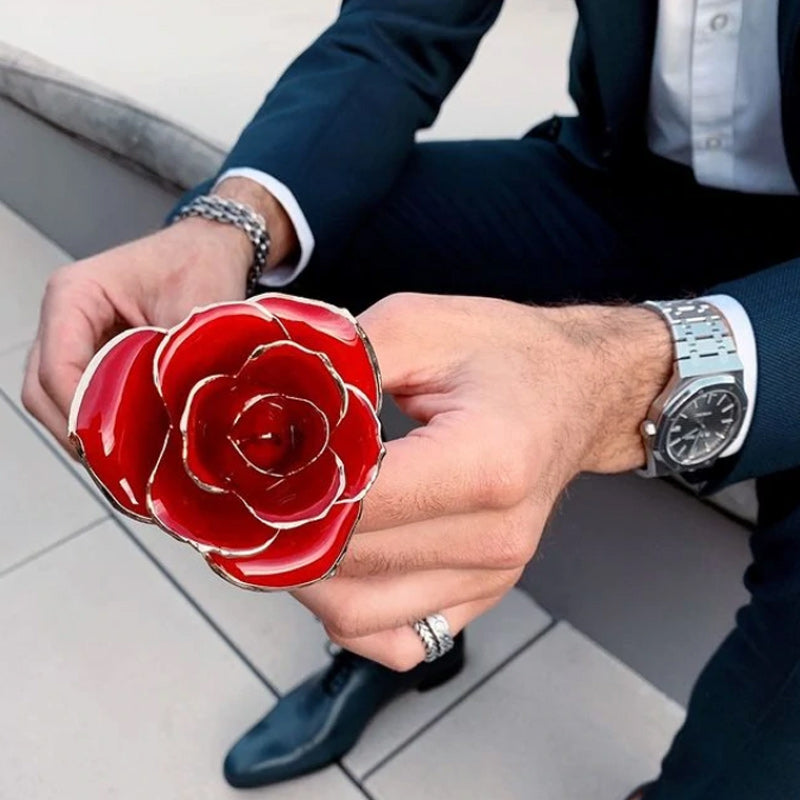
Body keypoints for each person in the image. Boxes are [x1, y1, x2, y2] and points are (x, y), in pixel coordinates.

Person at [22, 1, 800, 798]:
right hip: (623, 181)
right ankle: (398, 631)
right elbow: (399, 25)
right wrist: (230, 223)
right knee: (292, 269)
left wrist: (622, 379)